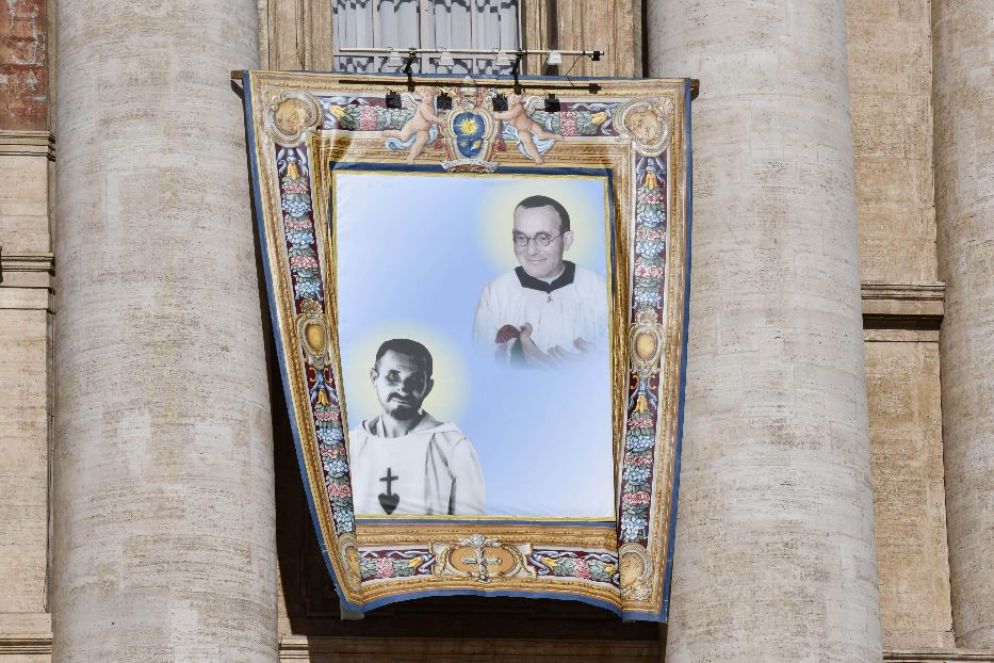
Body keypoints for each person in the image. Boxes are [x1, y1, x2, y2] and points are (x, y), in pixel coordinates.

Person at [348, 338, 485, 516]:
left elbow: (471, 529)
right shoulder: (352, 445)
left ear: (428, 387)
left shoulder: (453, 447)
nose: (403, 389)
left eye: (415, 380)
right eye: (393, 375)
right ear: (375, 378)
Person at [473, 195, 608, 367]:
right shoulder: (496, 292)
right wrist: (517, 354)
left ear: (567, 240)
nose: (531, 251)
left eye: (543, 238)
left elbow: (618, 354)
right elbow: (480, 360)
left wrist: (596, 363)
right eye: (521, 238)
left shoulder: (596, 286)